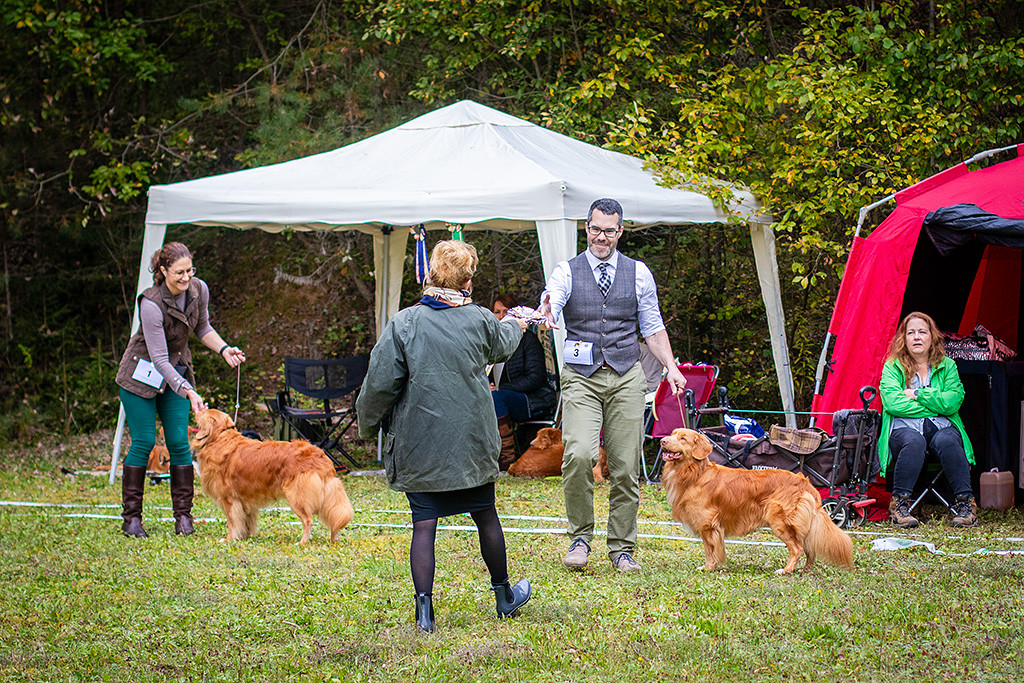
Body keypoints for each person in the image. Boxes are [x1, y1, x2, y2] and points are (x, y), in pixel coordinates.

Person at [357, 240, 532, 633]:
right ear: (468, 280)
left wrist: (368, 427)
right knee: (486, 515)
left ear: (430, 274)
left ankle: (425, 615)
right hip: (471, 447)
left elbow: (378, 384)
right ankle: (504, 597)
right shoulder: (482, 320)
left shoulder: (404, 323)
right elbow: (504, 343)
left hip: (420, 447)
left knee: (424, 525)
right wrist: (519, 323)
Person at [540, 198, 686, 572]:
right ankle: (579, 538)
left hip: (626, 375)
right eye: (594, 229)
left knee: (625, 467)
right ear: (585, 228)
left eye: (608, 230)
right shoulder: (567, 270)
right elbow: (553, 296)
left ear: (621, 231)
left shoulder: (638, 273)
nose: (600, 237)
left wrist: (670, 366)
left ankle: (622, 548)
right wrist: (549, 309)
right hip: (581, 377)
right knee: (578, 455)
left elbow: (652, 326)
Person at [115, 242, 246, 537]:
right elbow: (159, 358)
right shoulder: (150, 304)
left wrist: (224, 349)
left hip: (177, 373)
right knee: (145, 441)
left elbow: (202, 327)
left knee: (178, 442)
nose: (186, 278)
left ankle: (183, 518)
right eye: (179, 273)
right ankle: (132, 520)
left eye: (190, 270)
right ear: (163, 271)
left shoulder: (198, 289)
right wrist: (188, 390)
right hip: (140, 377)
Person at [879, 311, 977, 528]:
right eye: (910, 332)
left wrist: (917, 394)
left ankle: (965, 505)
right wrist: (935, 405)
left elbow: (952, 402)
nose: (916, 337)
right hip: (902, 429)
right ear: (903, 338)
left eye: (922, 332)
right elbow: (893, 404)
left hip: (941, 428)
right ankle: (901, 506)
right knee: (914, 441)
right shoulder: (892, 366)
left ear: (932, 337)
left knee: (949, 440)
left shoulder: (948, 365)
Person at [489, 292, 557, 470]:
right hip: (500, 397)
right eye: (497, 312)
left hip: (532, 398)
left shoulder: (528, 340)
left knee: (497, 398)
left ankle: (506, 460)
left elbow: (536, 378)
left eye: (506, 311)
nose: (502, 316)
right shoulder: (491, 341)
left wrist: (501, 388)